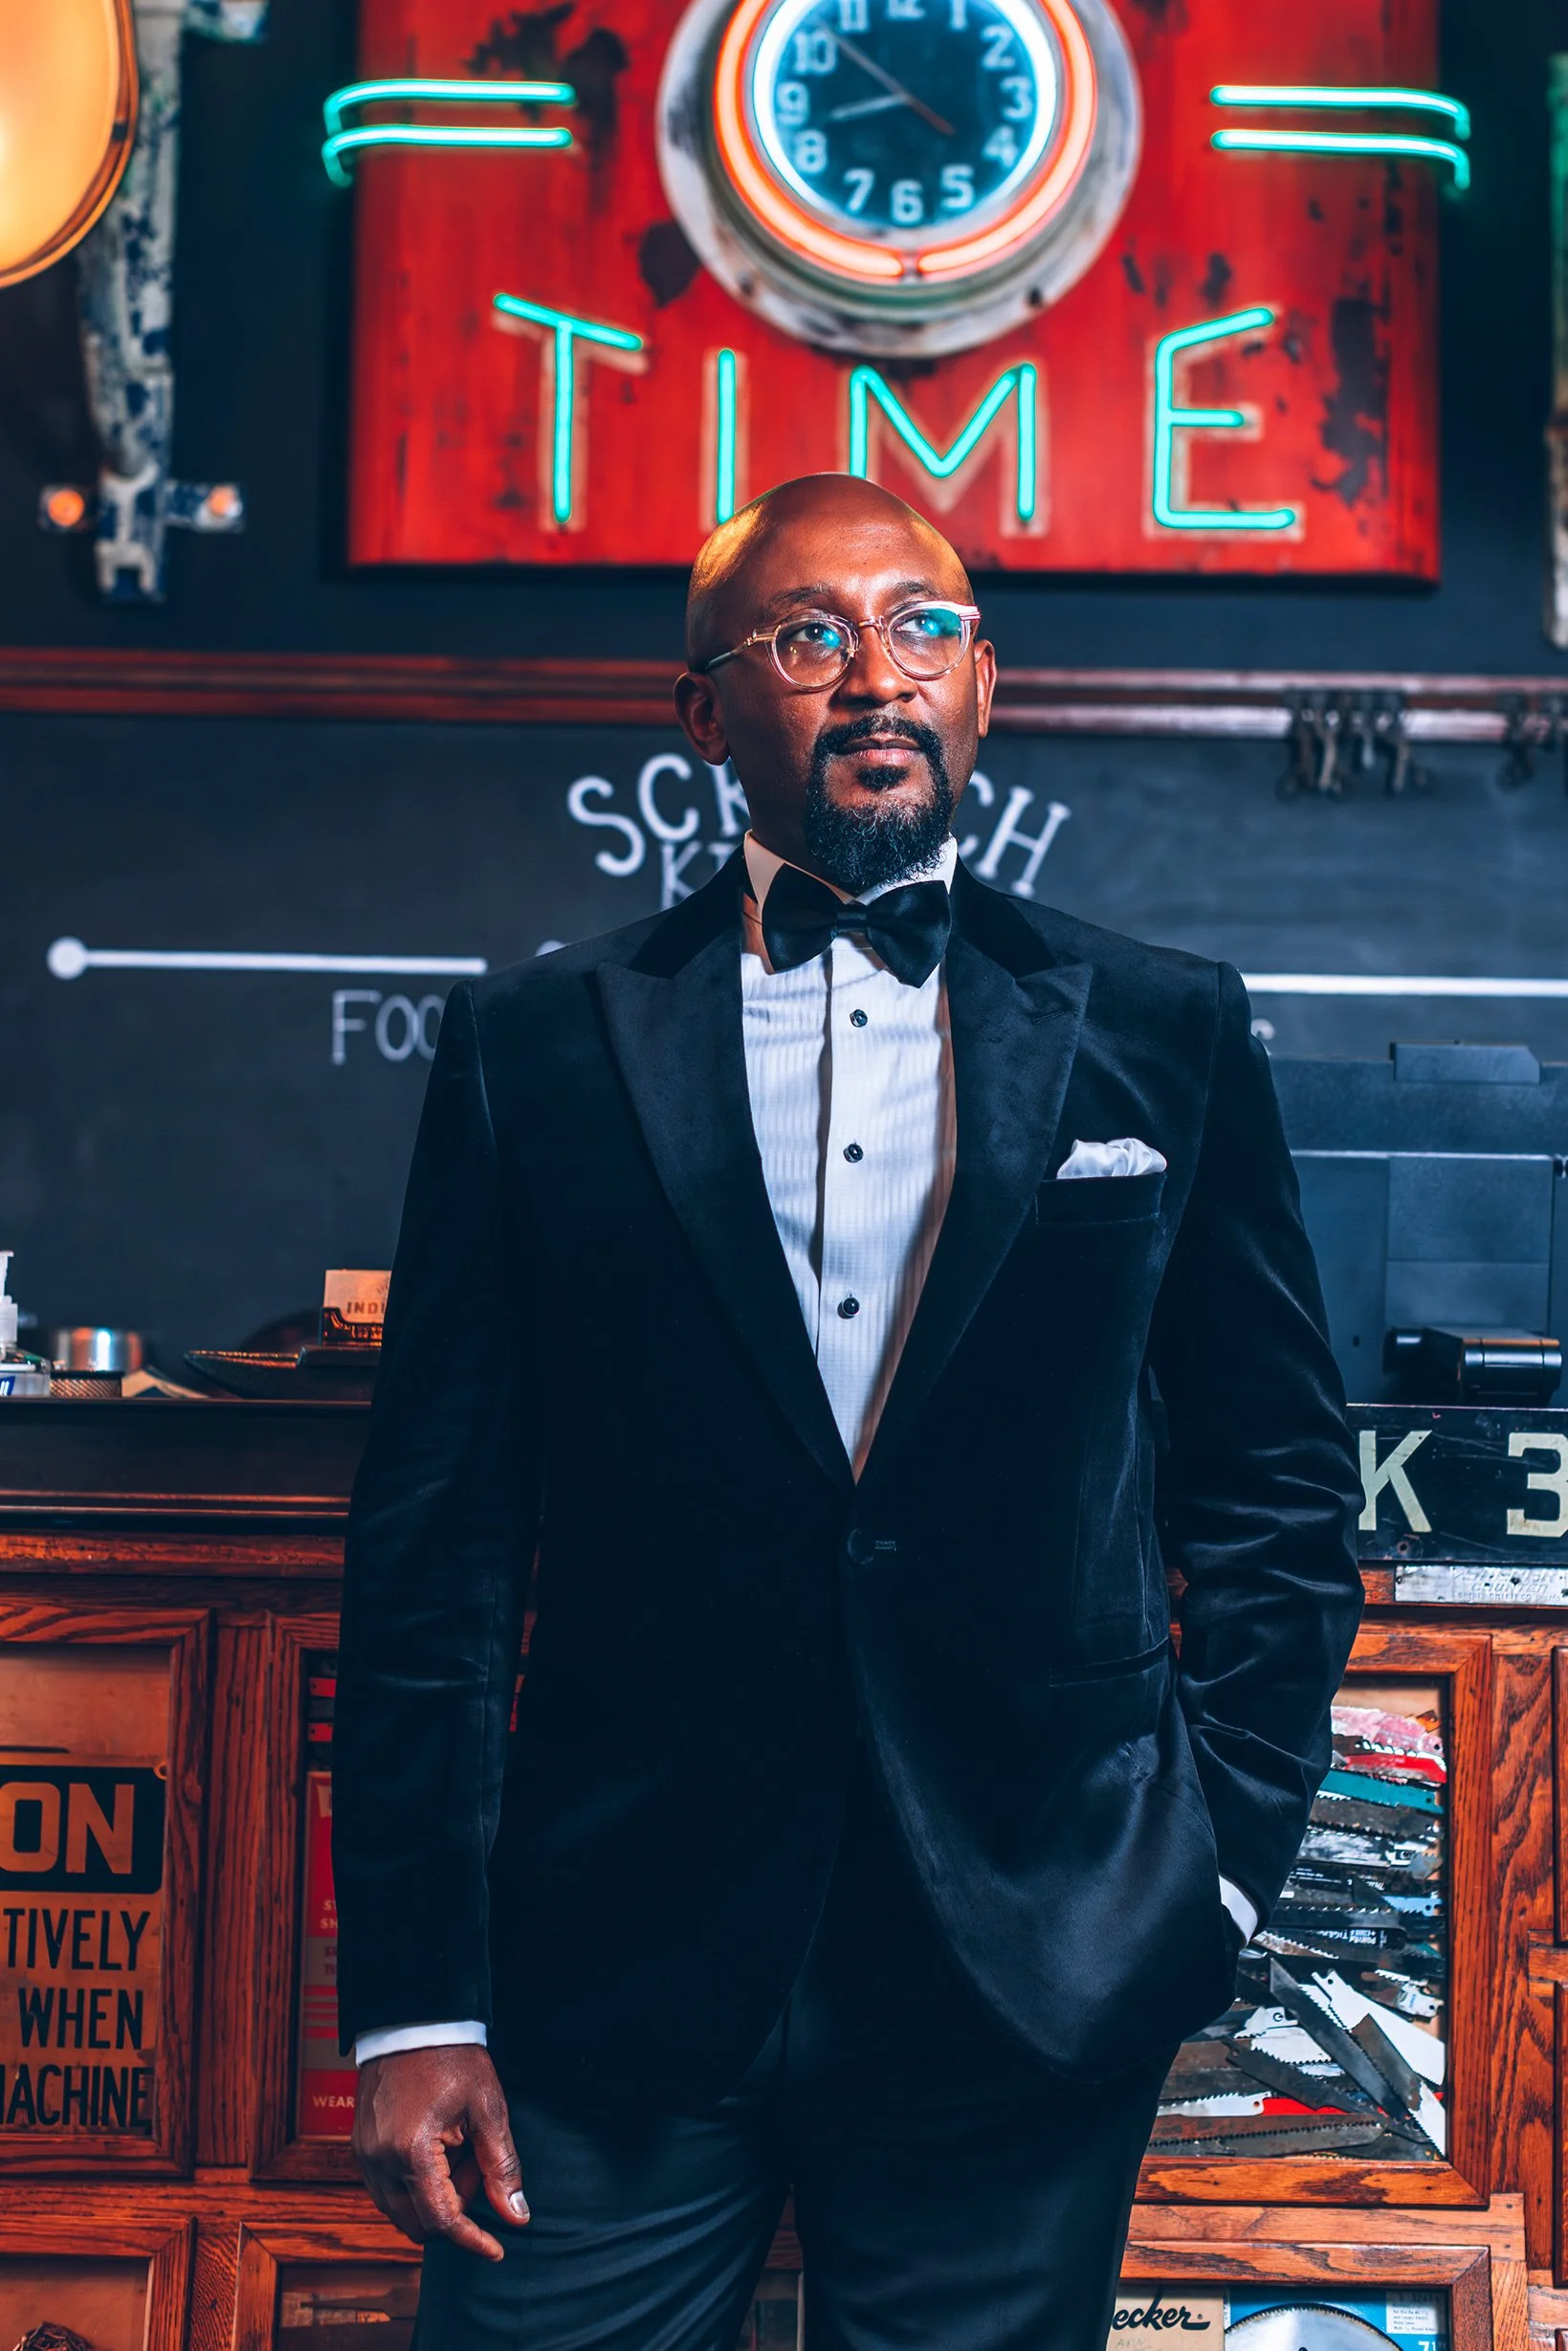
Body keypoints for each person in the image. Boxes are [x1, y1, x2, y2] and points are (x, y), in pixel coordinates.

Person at [333, 474, 1363, 2351]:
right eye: (809, 635)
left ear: (985, 687)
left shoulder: (1164, 1028)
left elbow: (1282, 1493)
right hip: (612, 1964)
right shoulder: (535, 1050)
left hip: (1029, 1950)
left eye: (923, 626)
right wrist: (417, 2003)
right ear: (705, 712)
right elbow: (437, 1556)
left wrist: (1203, 1879)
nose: (875, 674)